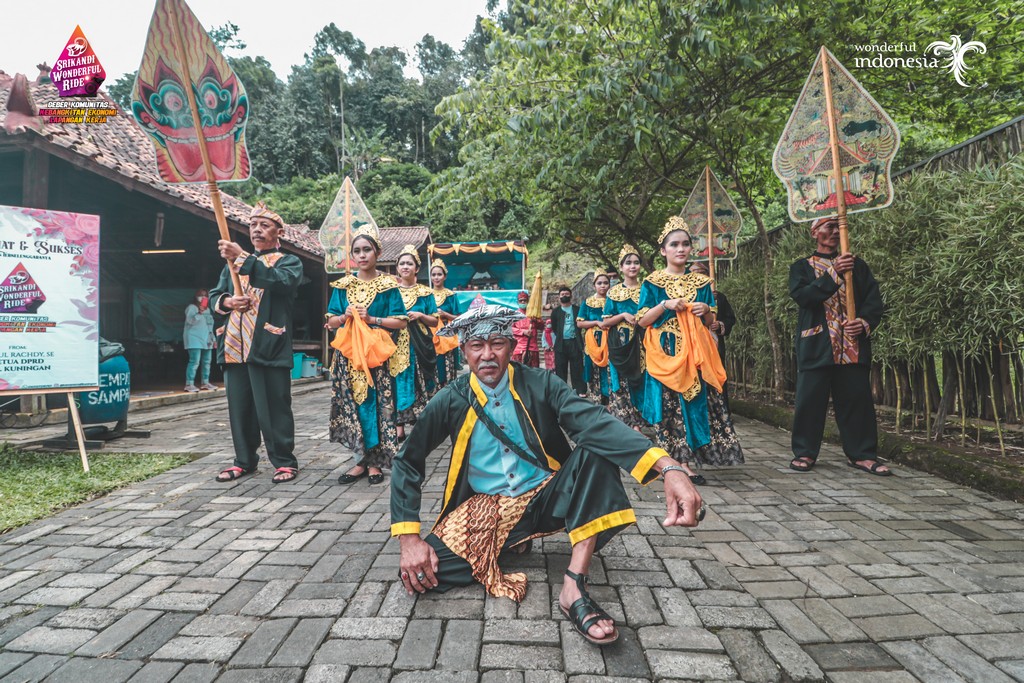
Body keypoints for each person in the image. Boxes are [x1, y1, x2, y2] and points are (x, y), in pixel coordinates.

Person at [390, 304, 705, 646]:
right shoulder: (451, 398)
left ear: (512, 347)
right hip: (486, 506)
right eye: (477, 346)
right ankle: (514, 539)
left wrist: (668, 467)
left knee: (596, 449)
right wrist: (409, 539)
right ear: (463, 351)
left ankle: (574, 586)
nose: (487, 355)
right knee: (423, 575)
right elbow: (407, 461)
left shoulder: (541, 383)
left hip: (547, 494)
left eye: (497, 343)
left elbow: (594, 422)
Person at [637, 217, 744, 484]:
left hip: (695, 352)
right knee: (667, 405)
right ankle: (673, 461)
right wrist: (664, 305)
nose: (681, 249)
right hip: (665, 351)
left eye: (685, 244)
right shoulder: (652, 282)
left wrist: (706, 310)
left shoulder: (702, 283)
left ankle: (686, 461)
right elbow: (642, 320)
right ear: (663, 250)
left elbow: (710, 322)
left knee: (692, 403)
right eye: (674, 244)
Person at [211, 202, 303, 484]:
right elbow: (216, 295)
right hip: (234, 346)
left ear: (279, 232)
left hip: (267, 345)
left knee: (274, 408)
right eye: (253, 225)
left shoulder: (288, 262)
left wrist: (242, 257)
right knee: (239, 409)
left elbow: (280, 282)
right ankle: (244, 461)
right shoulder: (231, 266)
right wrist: (228, 301)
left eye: (265, 225)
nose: (257, 230)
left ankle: (284, 462)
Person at [789, 216, 888, 475]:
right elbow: (804, 297)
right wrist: (833, 273)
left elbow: (874, 301)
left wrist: (863, 323)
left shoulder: (858, 266)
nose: (835, 231)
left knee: (857, 400)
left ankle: (862, 455)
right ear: (815, 232)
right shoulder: (801, 267)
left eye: (838, 226)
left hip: (852, 346)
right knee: (810, 401)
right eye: (829, 226)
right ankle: (805, 452)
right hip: (816, 345)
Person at [326, 226, 409, 486]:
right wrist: (344, 317)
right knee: (354, 407)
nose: (362, 255)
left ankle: (375, 463)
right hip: (349, 357)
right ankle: (360, 461)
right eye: (357, 251)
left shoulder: (388, 286)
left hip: (376, 357)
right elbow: (330, 321)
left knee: (377, 407)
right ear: (352, 256)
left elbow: (401, 321)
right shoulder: (343, 286)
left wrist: (372, 319)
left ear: (377, 253)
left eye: (367, 250)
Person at [395, 245, 440, 441]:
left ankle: (421, 424)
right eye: (402, 263)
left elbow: (435, 321)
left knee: (420, 382)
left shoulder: (425, 292)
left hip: (420, 345)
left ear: (417, 268)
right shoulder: (391, 292)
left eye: (409, 263)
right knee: (398, 383)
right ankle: (398, 427)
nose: (405, 266)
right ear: (397, 268)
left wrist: (420, 315)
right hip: (396, 346)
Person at [603, 244, 646, 428]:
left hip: (644, 343)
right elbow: (605, 322)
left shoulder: (647, 289)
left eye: (636, 262)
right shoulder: (613, 292)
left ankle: (641, 423)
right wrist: (622, 316)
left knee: (643, 380)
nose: (632, 266)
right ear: (621, 267)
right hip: (620, 344)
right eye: (628, 263)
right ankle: (629, 425)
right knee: (622, 383)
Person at [689, 261, 737, 410]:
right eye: (693, 273)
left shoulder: (718, 297)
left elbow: (730, 318)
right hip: (693, 343)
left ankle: (720, 411)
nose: (697, 276)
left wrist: (720, 324)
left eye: (701, 273)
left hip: (714, 343)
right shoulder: (684, 296)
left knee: (717, 373)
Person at [577, 272, 611, 405]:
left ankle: (611, 402)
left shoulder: (613, 301)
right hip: (593, 341)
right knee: (593, 370)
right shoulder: (587, 302)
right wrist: (596, 323)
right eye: (599, 283)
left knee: (609, 369)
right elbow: (580, 323)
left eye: (605, 283)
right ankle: (597, 402)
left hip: (610, 340)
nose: (603, 286)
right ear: (594, 285)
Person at [429, 258, 461, 387]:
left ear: (445, 276)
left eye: (439, 274)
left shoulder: (451, 295)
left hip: (447, 335)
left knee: (446, 366)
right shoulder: (426, 295)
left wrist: (445, 314)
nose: (436, 277)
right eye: (433, 274)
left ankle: (448, 390)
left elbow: (459, 318)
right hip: (430, 336)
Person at [549, 286, 586, 396]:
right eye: (562, 294)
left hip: (575, 342)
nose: (564, 296)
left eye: (566, 294)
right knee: (560, 368)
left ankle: (580, 390)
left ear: (571, 295)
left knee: (577, 367)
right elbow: (554, 328)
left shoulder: (577, 310)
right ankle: (562, 391)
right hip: (561, 343)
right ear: (559, 297)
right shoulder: (555, 312)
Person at [183, 289, 216, 392]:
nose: (203, 297)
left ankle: (205, 382)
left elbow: (210, 325)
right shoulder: (192, 307)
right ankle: (189, 384)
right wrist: (199, 312)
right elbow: (190, 321)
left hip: (207, 339)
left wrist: (213, 339)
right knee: (194, 361)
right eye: (200, 295)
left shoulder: (208, 310)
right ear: (196, 296)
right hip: (194, 338)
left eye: (205, 295)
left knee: (207, 361)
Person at [511, 291, 543, 367]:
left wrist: (536, 320)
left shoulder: (533, 314)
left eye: (524, 300)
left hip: (533, 348)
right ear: (517, 302)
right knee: (518, 371)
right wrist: (523, 332)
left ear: (528, 301)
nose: (523, 302)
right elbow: (510, 328)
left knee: (534, 371)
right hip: (519, 348)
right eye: (521, 300)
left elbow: (542, 326)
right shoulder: (514, 314)